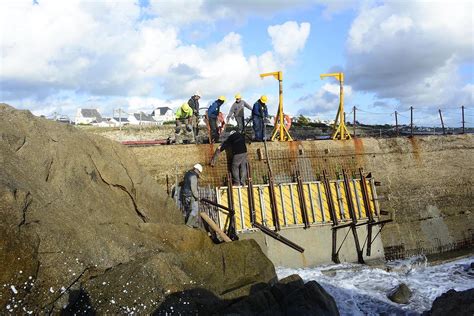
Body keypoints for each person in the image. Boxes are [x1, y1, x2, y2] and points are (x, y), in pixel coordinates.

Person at [180, 163, 203, 228]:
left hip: (184, 193)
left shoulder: (187, 173)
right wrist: (197, 196)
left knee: (189, 209)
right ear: (196, 170)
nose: (199, 173)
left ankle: (193, 223)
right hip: (190, 195)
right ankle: (189, 223)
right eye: (199, 171)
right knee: (195, 209)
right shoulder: (193, 177)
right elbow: (193, 188)